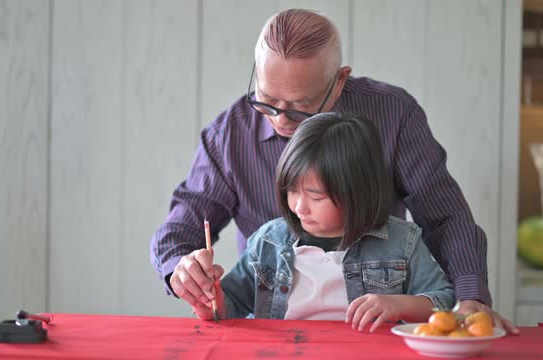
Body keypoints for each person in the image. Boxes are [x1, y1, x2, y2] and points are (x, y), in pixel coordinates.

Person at [150, 8, 518, 333]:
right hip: (274, 330)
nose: (279, 120)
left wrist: (471, 300)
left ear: (340, 80)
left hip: (373, 329)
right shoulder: (230, 133)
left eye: (299, 107)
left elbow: (445, 218)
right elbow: (181, 228)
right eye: (267, 101)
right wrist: (183, 270)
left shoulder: (394, 115)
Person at [181, 113, 455, 332]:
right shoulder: (269, 242)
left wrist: (400, 305)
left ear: (358, 192)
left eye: (316, 196)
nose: (299, 206)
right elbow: (230, 305)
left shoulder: (400, 242)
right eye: (292, 190)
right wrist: (209, 299)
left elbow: (445, 301)